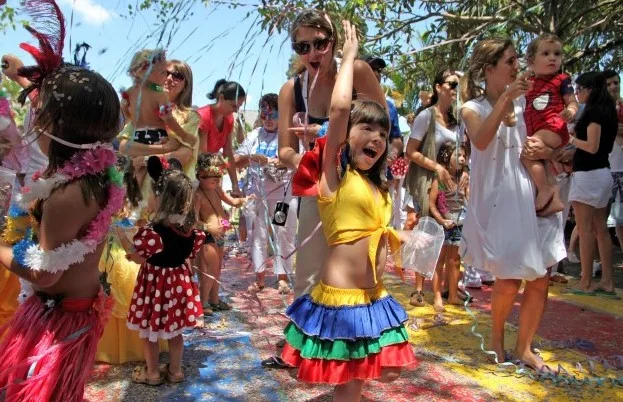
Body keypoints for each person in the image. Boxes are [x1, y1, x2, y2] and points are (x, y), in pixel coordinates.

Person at [281, 21, 416, 400]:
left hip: (373, 298)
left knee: (366, 377)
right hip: (342, 304)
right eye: (365, 129)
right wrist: (351, 57)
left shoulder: (377, 184)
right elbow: (339, 109)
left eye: (381, 134)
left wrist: (406, 238)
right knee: (347, 380)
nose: (375, 136)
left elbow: (380, 234)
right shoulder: (337, 177)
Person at [0, 3, 124, 398]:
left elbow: (45, 274)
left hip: (59, 324)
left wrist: (1, 248)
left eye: (39, 111)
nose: (33, 116)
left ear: (52, 126)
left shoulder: (67, 194)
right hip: (71, 312)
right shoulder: (97, 174)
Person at [460, 37, 566, 370]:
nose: (516, 66)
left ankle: (525, 347)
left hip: (534, 193)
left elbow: (556, 140)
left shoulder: (529, 103)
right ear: (489, 69)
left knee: (541, 276)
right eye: (509, 61)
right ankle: (495, 339)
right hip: (500, 199)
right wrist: (507, 97)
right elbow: (481, 140)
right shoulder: (472, 108)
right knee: (508, 277)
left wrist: (548, 152)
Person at [279, 9, 387, 300]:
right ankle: (303, 336)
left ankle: (357, 333)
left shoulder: (358, 72)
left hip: (358, 187)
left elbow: (384, 123)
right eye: (303, 47)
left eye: (320, 43)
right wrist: (303, 161)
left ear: (334, 42)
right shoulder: (291, 90)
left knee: (362, 266)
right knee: (310, 270)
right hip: (317, 187)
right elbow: (284, 150)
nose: (312, 52)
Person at [126, 157, 206, 385]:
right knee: (175, 332)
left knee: (150, 332)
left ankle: (152, 373)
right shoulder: (191, 232)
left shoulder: (152, 233)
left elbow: (140, 258)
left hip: (155, 285)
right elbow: (188, 257)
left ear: (161, 198)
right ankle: (176, 370)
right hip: (178, 283)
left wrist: (130, 252)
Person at [403, 68, 464, 307]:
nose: (455, 89)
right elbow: (410, 152)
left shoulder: (458, 121)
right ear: (438, 87)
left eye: (458, 85)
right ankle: (419, 289)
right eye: (452, 84)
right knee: (426, 234)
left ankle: (448, 289)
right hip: (425, 183)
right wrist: (436, 167)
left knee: (449, 239)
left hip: (450, 187)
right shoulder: (425, 116)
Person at [234, 94, 297, 294]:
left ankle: (282, 278)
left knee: (283, 233)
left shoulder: (288, 137)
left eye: (273, 114)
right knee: (257, 235)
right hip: (257, 196)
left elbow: (297, 160)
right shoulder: (254, 135)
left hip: (282, 197)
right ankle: (259, 277)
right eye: (264, 114)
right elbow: (236, 159)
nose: (268, 118)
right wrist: (250, 157)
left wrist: (277, 162)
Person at [566, 72, 618, 296]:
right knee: (601, 230)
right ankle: (607, 281)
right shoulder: (607, 111)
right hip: (602, 173)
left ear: (590, 89)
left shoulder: (594, 112)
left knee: (586, 230)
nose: (577, 94)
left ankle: (586, 281)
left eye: (580, 89)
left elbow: (592, 146)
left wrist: (571, 139)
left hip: (589, 174)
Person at [521, 34, 579, 216]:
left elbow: (573, 102)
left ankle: (546, 189)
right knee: (541, 162)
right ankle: (553, 198)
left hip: (553, 127)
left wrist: (570, 112)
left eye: (557, 54)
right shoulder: (529, 83)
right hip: (539, 130)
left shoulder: (561, 80)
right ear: (531, 61)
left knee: (526, 153)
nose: (552, 57)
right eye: (545, 53)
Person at [194, 153, 252, 315]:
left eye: (219, 176)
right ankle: (202, 303)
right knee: (209, 271)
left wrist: (247, 199)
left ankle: (214, 300)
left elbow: (233, 202)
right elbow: (192, 221)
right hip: (208, 237)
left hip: (220, 235)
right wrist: (208, 227)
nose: (216, 180)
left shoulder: (217, 189)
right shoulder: (197, 195)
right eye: (211, 177)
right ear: (201, 175)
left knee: (217, 270)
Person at [428, 141, 469, 312]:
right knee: (439, 261)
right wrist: (441, 221)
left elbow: (469, 200)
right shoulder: (440, 179)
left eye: (464, 156)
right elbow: (432, 204)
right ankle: (437, 296)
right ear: (446, 157)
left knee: (455, 261)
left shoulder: (464, 178)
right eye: (457, 155)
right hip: (443, 225)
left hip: (459, 224)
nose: (461, 159)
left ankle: (452, 294)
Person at [197, 80, 246, 196]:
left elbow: (228, 153)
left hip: (211, 173)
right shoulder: (203, 116)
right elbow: (202, 156)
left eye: (238, 107)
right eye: (234, 106)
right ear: (222, 98)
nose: (236, 110)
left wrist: (235, 185)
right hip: (198, 173)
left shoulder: (229, 119)